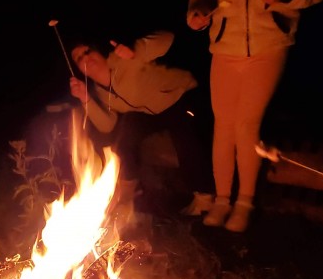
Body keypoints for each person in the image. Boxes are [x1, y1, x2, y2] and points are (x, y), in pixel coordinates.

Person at [185, 0, 323, 232]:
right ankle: (222, 201)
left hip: (268, 46)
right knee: (223, 125)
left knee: (246, 126)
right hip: (224, 48)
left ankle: (244, 203)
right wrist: (197, 15)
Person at [67, 31, 214, 215]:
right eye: (79, 58)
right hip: (150, 113)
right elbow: (107, 126)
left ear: (98, 51)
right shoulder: (100, 91)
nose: (85, 58)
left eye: (87, 51)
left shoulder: (123, 59)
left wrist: (136, 50)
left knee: (184, 134)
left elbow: (168, 38)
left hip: (180, 96)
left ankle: (205, 197)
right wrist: (85, 98)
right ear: (79, 69)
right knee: (123, 136)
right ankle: (129, 193)